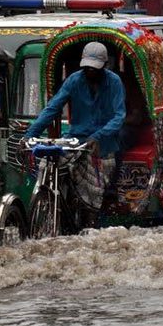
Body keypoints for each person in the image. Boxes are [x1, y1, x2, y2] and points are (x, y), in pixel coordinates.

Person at [22, 41, 126, 224]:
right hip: (75, 139)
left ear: (105, 66)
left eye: (95, 68)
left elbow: (119, 116)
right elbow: (53, 108)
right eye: (87, 68)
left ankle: (90, 223)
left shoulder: (114, 82)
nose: (91, 71)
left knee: (94, 190)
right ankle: (49, 203)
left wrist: (98, 136)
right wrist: (30, 135)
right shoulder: (74, 80)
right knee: (46, 163)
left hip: (102, 144)